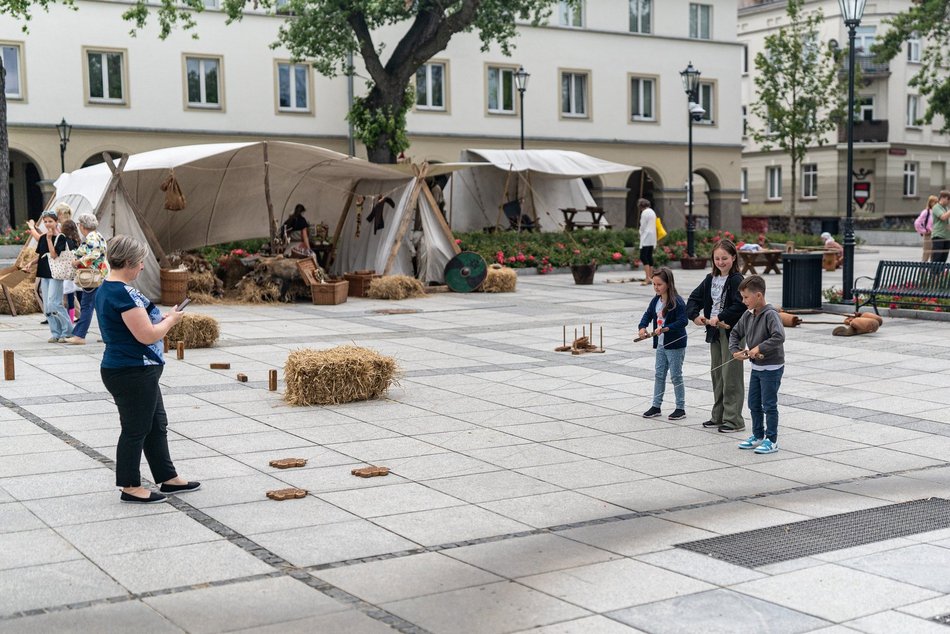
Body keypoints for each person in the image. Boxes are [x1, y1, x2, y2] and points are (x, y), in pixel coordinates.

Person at [96, 235, 199, 504]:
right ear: (129, 262)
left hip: (134, 369)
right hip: (131, 371)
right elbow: (147, 336)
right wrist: (171, 321)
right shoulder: (122, 294)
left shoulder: (108, 288)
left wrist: (163, 318)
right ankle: (129, 486)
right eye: (140, 262)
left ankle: (167, 477)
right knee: (135, 429)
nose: (142, 267)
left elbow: (140, 326)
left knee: (156, 424)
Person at [686, 239, 746, 433]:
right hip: (714, 332)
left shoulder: (737, 279)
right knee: (717, 374)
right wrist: (695, 316)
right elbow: (694, 299)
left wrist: (719, 316)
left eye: (725, 258)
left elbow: (740, 305)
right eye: (717, 258)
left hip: (731, 331)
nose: (720, 262)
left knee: (731, 375)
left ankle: (734, 419)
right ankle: (718, 416)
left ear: (733, 257)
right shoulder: (710, 278)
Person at [729, 275, 786, 455]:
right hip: (756, 368)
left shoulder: (771, 314)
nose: (743, 301)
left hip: (772, 367)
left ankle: (772, 440)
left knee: (769, 404)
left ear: (759, 296)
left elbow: (779, 337)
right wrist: (735, 351)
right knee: (754, 403)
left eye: (746, 297)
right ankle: (758, 435)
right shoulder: (748, 315)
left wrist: (759, 347)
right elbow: (735, 333)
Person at [639, 267, 688, 421]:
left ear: (668, 283)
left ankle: (680, 408)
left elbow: (683, 321)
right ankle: (656, 405)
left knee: (675, 376)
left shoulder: (677, 301)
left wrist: (667, 328)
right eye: (654, 284)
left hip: (675, 344)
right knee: (659, 374)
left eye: (659, 284)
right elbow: (648, 314)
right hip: (660, 344)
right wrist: (642, 326)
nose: (656, 287)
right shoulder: (656, 300)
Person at [26, 209, 73, 343]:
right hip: (43, 273)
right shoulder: (42, 238)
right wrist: (31, 263)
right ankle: (56, 332)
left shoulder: (61, 237)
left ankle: (67, 331)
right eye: (45, 222)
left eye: (50, 221)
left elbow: (53, 255)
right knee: (47, 306)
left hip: (55, 274)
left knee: (54, 303)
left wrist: (49, 239)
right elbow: (41, 255)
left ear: (56, 222)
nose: (47, 224)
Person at [63, 213, 109, 345]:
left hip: (92, 276)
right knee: (99, 306)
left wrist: (78, 262)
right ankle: (107, 335)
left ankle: (80, 335)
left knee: (86, 305)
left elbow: (93, 254)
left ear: (82, 226)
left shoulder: (90, 238)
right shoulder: (98, 236)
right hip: (101, 274)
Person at [60, 220, 82, 323]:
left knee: (70, 298)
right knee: (80, 297)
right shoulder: (78, 241)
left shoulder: (64, 241)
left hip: (68, 273)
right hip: (78, 272)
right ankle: (82, 319)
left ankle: (71, 319)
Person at [638, 198, 657, 285]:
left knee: (643, 256)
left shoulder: (644, 213)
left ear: (641, 206)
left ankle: (647, 277)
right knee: (649, 256)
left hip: (646, 236)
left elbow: (642, 226)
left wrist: (640, 233)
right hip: (652, 236)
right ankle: (651, 276)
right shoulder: (652, 212)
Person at [915, 195, 938, 262]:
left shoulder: (937, 212)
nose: (936, 204)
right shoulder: (926, 212)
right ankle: (922, 271)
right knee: (926, 254)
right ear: (930, 203)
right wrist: (924, 231)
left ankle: (933, 271)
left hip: (936, 235)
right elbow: (917, 223)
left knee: (934, 255)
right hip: (928, 235)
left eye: (937, 202)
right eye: (935, 202)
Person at [930, 191, 950, 263]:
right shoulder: (936, 207)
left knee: (943, 258)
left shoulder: (946, 208)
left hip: (947, 237)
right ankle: (934, 273)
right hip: (938, 236)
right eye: (948, 199)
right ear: (942, 198)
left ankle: (940, 273)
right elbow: (943, 217)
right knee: (937, 257)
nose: (949, 201)